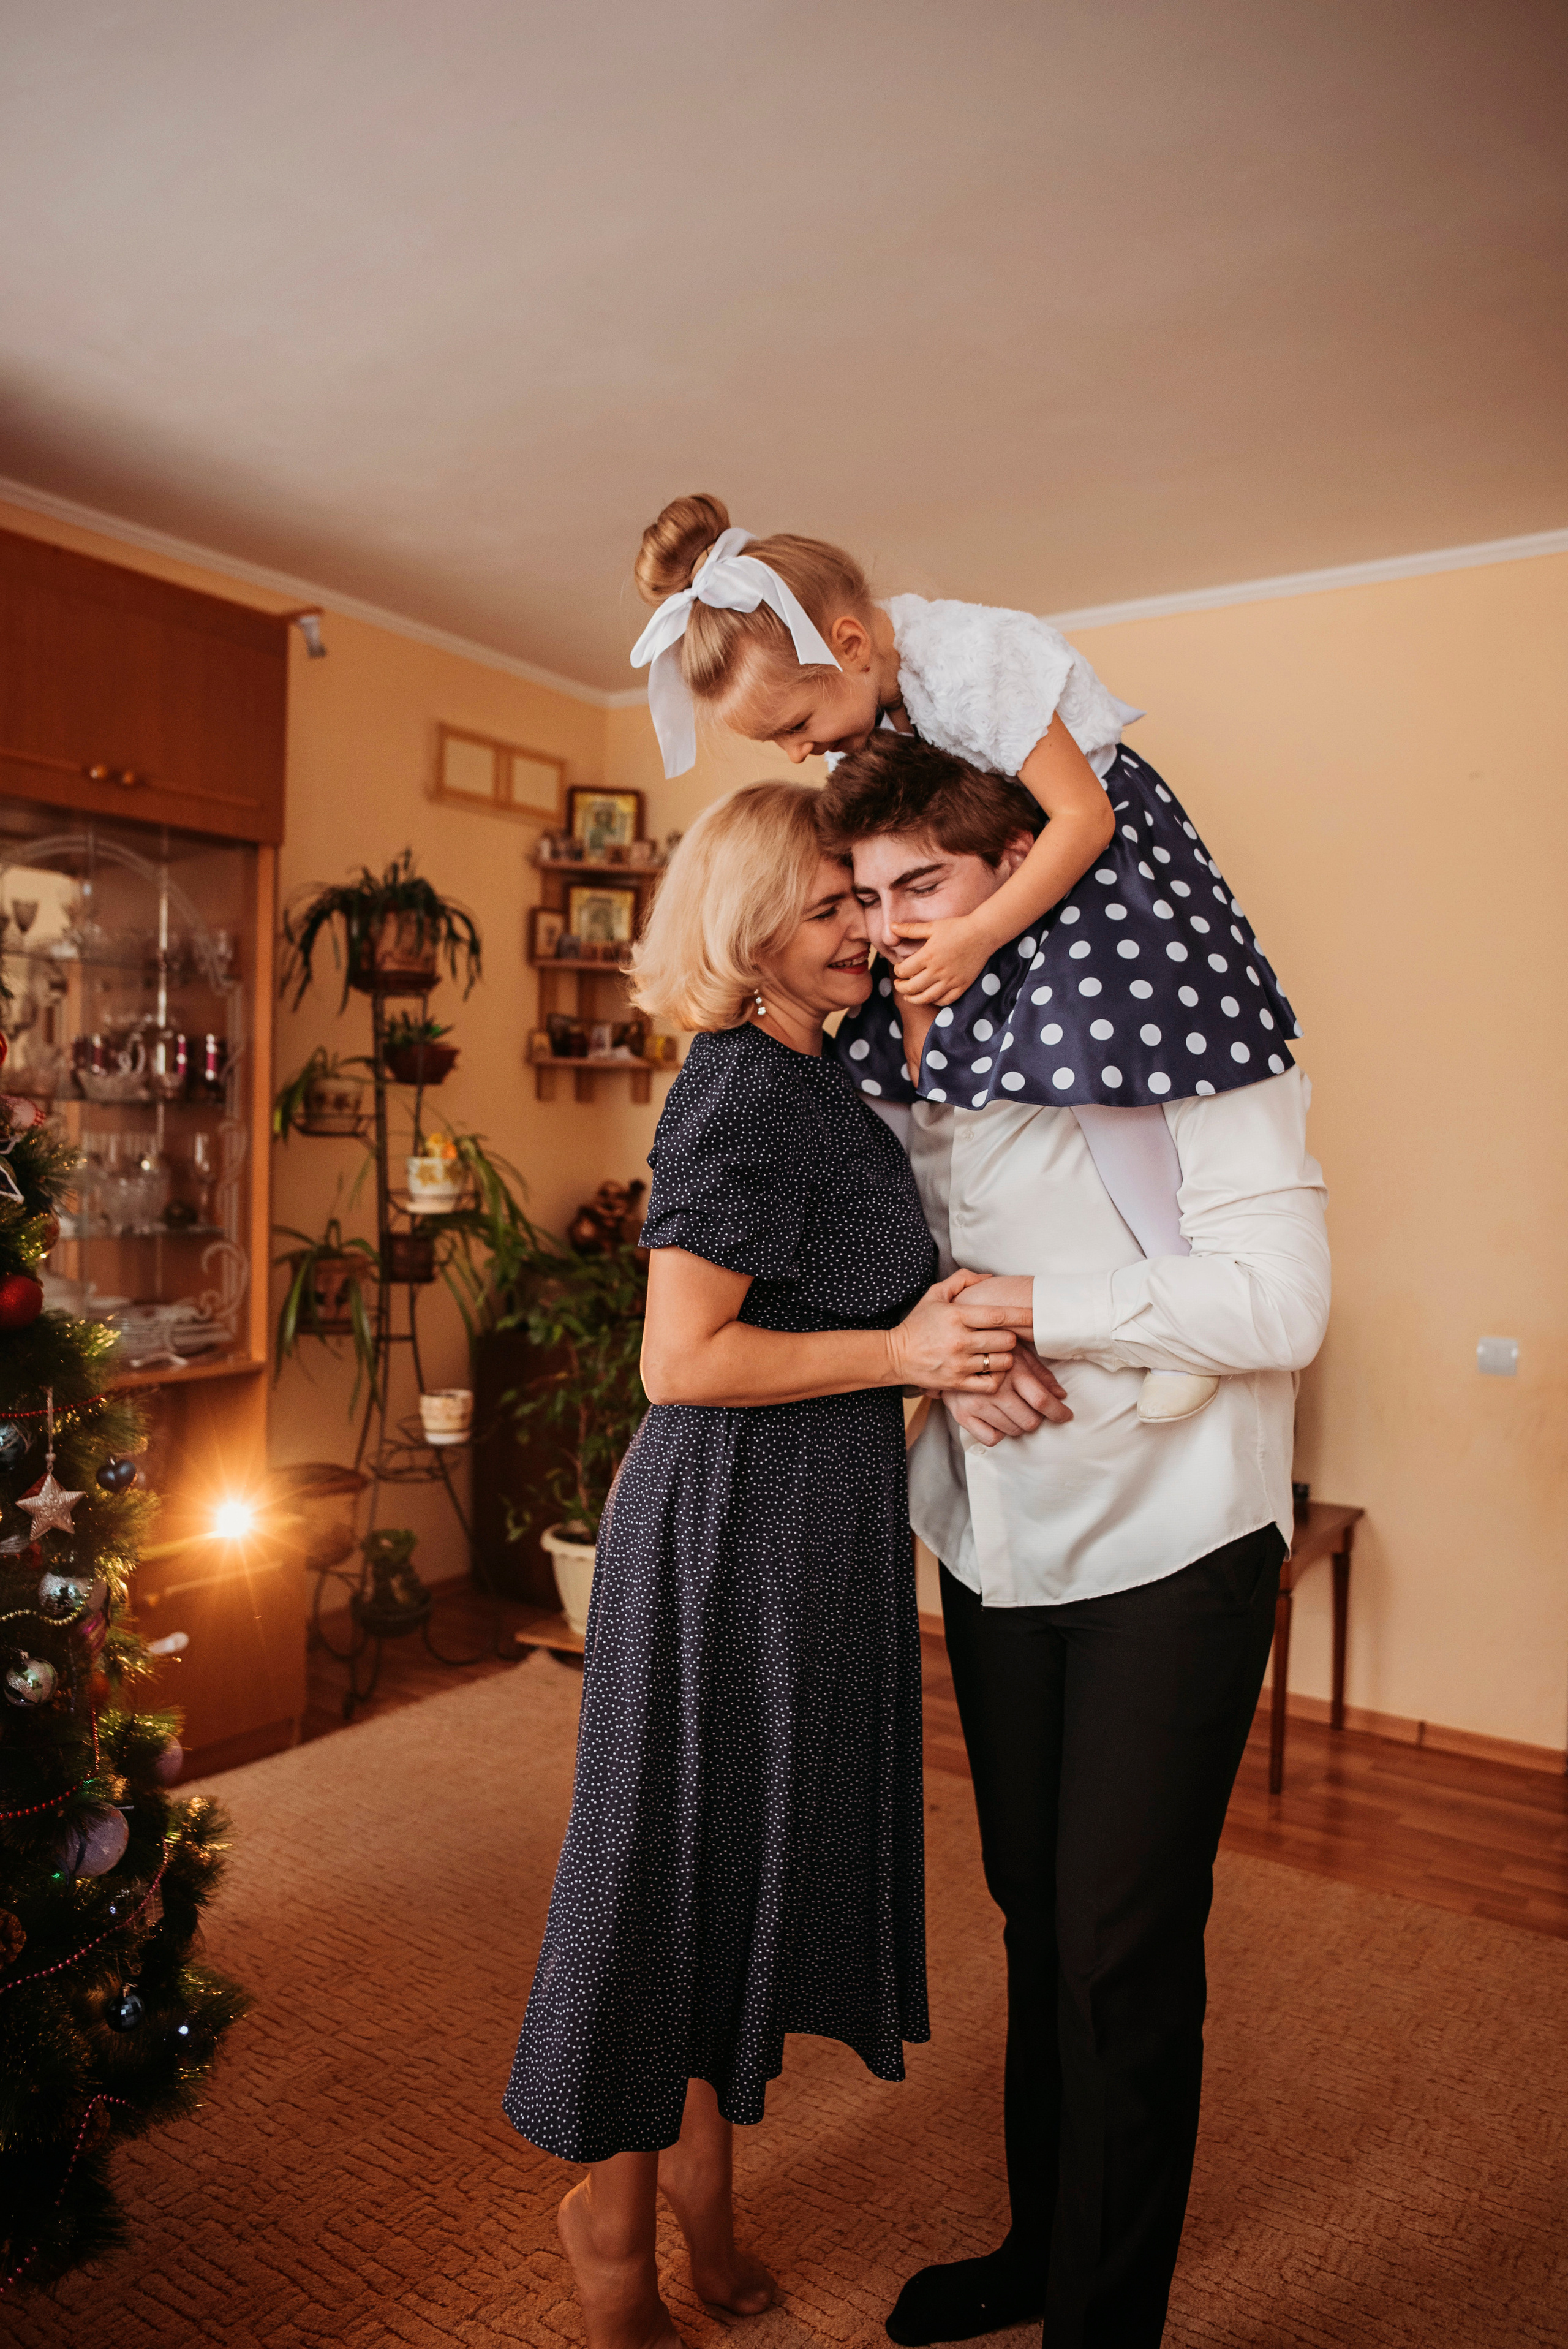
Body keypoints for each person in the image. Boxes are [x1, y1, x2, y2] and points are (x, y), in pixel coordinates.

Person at [502, 780, 1041, 2349]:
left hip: (816, 1534)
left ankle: (705, 2208)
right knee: (667, 1887)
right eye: (832, 908)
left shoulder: (821, 1079)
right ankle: (607, 2236)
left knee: (735, 1889)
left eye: (865, 901)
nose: (867, 928)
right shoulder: (738, 1094)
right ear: (752, 939)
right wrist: (903, 1347)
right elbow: (681, 1362)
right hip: (726, 1532)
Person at [815, 734, 1331, 2349]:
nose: (893, 928)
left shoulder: (1200, 1053)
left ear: (1021, 884)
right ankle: (1046, 2246)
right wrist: (941, 1346)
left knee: (1121, 1943)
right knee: (1036, 1908)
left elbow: (1284, 1304)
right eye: (868, 897)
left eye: (926, 888)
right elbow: (891, 1283)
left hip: (1177, 1545)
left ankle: (1104, 2323)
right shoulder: (886, 1073)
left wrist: (1033, 1307)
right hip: (992, 1541)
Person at [628, 492, 1300, 1428]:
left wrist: (978, 932)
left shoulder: (969, 662)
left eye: (797, 722)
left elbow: (1084, 818)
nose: (797, 749)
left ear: (852, 644)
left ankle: (1172, 1277)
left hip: (1095, 865)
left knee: (1106, 1071)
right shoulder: (865, 725)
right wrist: (931, 1352)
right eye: (851, 903)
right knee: (951, 1055)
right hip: (1034, 878)